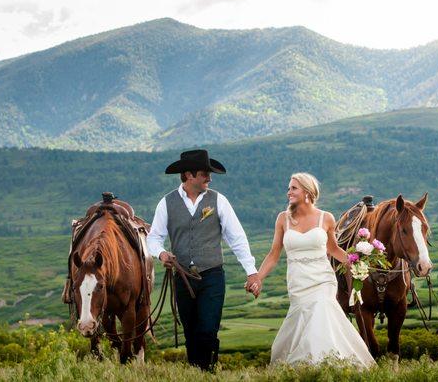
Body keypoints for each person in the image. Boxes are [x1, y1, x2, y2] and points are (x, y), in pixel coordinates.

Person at [147, 149, 260, 371]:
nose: (209, 178)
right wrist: (161, 254)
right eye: (204, 173)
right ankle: (197, 373)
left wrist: (251, 270)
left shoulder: (219, 201)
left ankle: (208, 371)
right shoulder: (166, 203)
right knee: (191, 332)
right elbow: (154, 238)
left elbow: (236, 237)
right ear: (189, 175)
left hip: (212, 275)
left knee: (208, 329)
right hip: (183, 278)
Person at [248, 172, 375, 366]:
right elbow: (274, 254)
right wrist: (258, 278)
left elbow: (333, 249)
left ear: (307, 192)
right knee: (301, 323)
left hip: (322, 280)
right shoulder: (283, 219)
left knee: (320, 314)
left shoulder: (326, 218)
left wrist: (355, 260)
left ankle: (326, 365)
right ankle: (305, 367)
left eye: (293, 188)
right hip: (298, 282)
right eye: (289, 188)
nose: (288, 192)